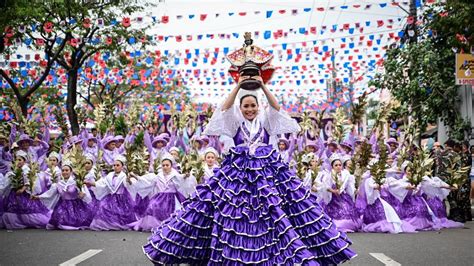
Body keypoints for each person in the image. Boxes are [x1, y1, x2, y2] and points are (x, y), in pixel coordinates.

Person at [143, 76, 356, 265]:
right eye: (246, 106)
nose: (250, 109)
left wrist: (262, 87)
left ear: (258, 106)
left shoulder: (266, 121)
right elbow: (224, 109)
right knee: (217, 209)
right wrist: (238, 87)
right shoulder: (235, 122)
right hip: (237, 173)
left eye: (252, 105)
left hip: (266, 172)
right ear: (241, 107)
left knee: (281, 210)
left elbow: (276, 108)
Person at [37, 161, 93, 230]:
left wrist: (81, 195)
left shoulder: (76, 182)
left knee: (74, 222)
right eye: (63, 170)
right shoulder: (58, 183)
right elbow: (50, 194)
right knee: (59, 217)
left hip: (75, 205)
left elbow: (84, 193)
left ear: (71, 172)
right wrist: (38, 197)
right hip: (62, 204)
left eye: (67, 170)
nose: (64, 172)